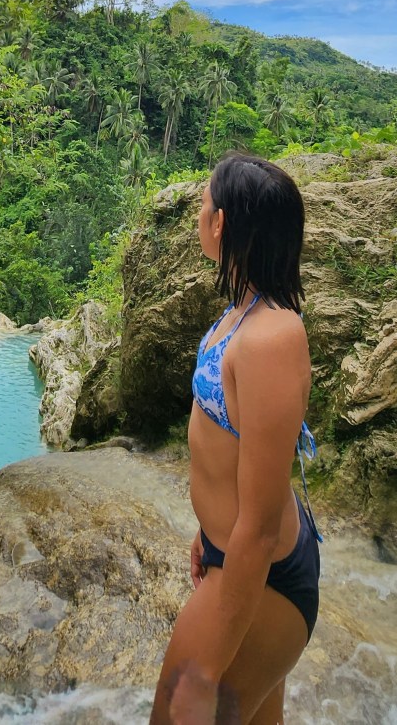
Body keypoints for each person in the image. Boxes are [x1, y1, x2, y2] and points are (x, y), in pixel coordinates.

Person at [150, 153, 321, 725]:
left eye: (203, 205)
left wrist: (209, 667)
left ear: (221, 223)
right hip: (234, 553)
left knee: (179, 713)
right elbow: (236, 451)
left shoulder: (272, 336)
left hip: (264, 572)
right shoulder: (241, 314)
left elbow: (263, 524)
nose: (199, 216)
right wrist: (209, 529)